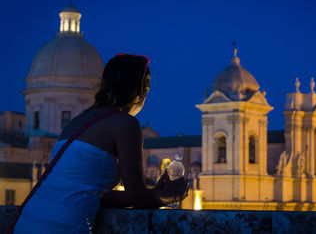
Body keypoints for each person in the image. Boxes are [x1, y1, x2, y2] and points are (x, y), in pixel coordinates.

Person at [14, 54, 188, 233]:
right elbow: (137, 198)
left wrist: (153, 194)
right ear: (140, 91)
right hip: (64, 227)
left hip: (28, 222)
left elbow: (88, 194)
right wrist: (171, 195)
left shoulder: (76, 123)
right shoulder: (125, 123)